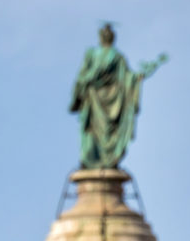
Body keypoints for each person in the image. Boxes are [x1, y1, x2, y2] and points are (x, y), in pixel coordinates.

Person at [70, 23, 167, 169]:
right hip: (103, 105)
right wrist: (141, 75)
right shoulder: (116, 57)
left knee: (90, 133)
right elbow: (128, 78)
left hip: (94, 102)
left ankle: (93, 159)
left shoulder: (95, 54)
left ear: (101, 38)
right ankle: (97, 158)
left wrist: (78, 94)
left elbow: (82, 78)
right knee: (93, 134)